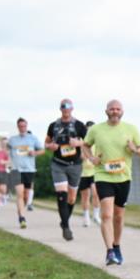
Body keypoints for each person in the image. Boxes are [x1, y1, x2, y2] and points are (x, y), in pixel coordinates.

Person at [82, 99, 140, 266]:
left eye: (117, 109)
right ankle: (109, 251)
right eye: (112, 109)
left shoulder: (131, 129)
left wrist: (135, 149)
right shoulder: (96, 129)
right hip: (103, 175)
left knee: (118, 215)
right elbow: (85, 145)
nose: (115, 111)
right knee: (107, 214)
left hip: (123, 177)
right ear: (106, 111)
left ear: (122, 111)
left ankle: (116, 245)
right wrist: (91, 157)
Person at [45, 99, 88, 241]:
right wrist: (51, 146)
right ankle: (66, 227)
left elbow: (88, 142)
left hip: (75, 165)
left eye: (68, 106)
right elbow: (46, 142)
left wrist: (78, 142)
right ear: (60, 109)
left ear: (72, 108)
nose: (66, 109)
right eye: (63, 106)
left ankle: (64, 221)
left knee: (71, 198)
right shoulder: (53, 125)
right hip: (58, 164)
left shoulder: (79, 125)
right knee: (61, 195)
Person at [7, 118, 44, 228]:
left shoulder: (33, 138)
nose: (22, 128)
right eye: (20, 126)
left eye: (24, 126)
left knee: (26, 196)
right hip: (16, 170)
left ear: (26, 126)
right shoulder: (12, 140)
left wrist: (35, 153)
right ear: (18, 127)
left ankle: (21, 210)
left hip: (29, 169)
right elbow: (7, 152)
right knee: (19, 194)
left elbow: (42, 150)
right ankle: (22, 218)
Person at [78, 120, 101, 227]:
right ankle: (86, 217)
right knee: (85, 196)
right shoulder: (81, 142)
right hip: (83, 173)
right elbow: (81, 156)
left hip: (94, 172)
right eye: (89, 129)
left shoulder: (97, 142)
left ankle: (96, 215)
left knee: (96, 193)